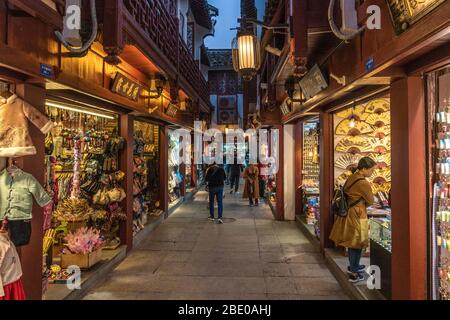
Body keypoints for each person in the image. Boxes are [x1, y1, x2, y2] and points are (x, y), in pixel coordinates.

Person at [329, 157, 376, 283]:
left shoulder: (352, 177)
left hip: (350, 212)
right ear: (364, 169)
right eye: (371, 170)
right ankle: (354, 271)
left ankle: (353, 265)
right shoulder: (363, 183)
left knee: (352, 241)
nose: (372, 173)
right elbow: (370, 200)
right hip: (358, 213)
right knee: (357, 242)